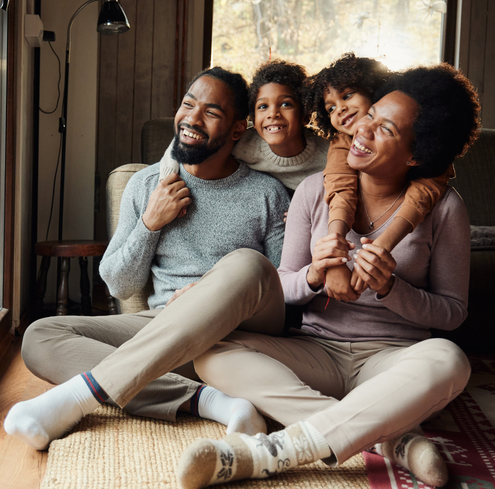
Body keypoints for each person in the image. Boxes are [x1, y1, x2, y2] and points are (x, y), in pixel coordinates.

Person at [176, 63, 480, 489]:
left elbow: (452, 313)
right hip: (314, 351)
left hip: (391, 359)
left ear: (416, 155)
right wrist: (314, 275)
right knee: (210, 351)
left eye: (385, 130)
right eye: (370, 115)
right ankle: (391, 440)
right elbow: (280, 284)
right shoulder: (314, 191)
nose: (362, 130)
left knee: (450, 361)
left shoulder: (446, 208)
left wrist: (392, 289)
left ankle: (278, 451)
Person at [4, 67, 291, 450]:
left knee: (245, 266)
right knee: (41, 335)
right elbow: (119, 284)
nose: (191, 118)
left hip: (236, 334)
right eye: (187, 105)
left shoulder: (266, 193)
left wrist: (208, 293)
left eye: (211, 112)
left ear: (238, 129)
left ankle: (97, 390)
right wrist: (150, 223)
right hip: (161, 329)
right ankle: (211, 401)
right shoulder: (147, 185)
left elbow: (283, 289)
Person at [307, 53, 455, 301]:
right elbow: (340, 187)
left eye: (347, 95)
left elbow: (425, 191)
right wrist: (331, 258)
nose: (340, 108)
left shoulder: (435, 172)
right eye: (330, 107)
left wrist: (383, 248)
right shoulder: (339, 146)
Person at [159, 59, 328, 198]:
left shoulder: (328, 155)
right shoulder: (245, 142)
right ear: (253, 120)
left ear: (305, 115)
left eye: (286, 104)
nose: (273, 114)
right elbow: (188, 139)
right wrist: (166, 179)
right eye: (263, 106)